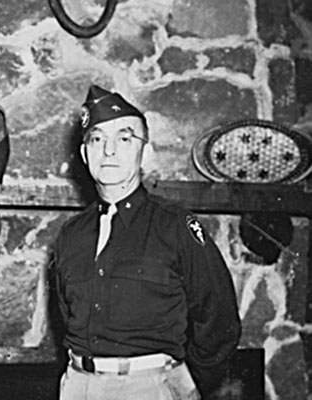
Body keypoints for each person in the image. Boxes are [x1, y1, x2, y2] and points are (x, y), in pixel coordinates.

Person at [52, 84, 241, 399]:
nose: (109, 150)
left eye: (124, 138)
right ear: (85, 155)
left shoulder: (175, 226)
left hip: (148, 387)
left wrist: (188, 384)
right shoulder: (70, 235)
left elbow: (219, 320)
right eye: (97, 139)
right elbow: (65, 314)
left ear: (146, 153)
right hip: (78, 385)